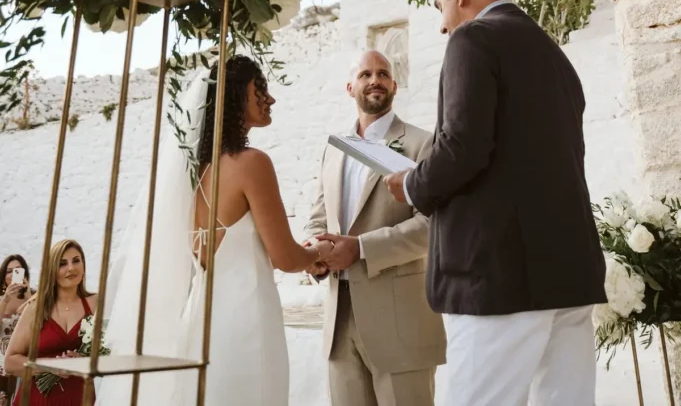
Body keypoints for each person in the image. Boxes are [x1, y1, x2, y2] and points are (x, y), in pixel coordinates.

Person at [384, 0, 606, 406]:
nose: (442, 25)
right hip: (569, 271)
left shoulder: (473, 39)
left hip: (498, 277)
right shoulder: (554, 54)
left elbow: (462, 148)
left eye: (441, 7)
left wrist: (411, 184)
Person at [97, 55, 333, 406]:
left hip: (200, 322)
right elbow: (285, 258)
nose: (270, 99)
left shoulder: (193, 174)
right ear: (235, 96)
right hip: (246, 322)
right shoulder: (252, 164)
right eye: (260, 89)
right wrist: (322, 251)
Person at [305, 50, 445, 406]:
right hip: (339, 324)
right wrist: (313, 254)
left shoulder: (422, 144)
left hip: (401, 325)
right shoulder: (335, 149)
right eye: (365, 74)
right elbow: (318, 217)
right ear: (350, 87)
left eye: (383, 74)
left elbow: (433, 225)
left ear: (394, 85)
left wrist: (360, 248)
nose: (375, 80)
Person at [5, 239, 97, 405]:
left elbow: (110, 352)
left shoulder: (97, 304)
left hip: (80, 397)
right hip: (37, 399)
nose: (71, 268)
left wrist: (84, 360)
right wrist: (49, 366)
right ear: (52, 271)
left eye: (76, 260)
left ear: (84, 265)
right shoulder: (36, 308)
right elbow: (10, 362)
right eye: (62, 263)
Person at [0, 255, 31, 405]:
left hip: (23, 361)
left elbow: (39, 327)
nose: (13, 275)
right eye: (9, 271)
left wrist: (29, 298)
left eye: (17, 270)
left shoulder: (33, 297)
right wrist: (5, 300)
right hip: (1, 362)